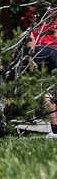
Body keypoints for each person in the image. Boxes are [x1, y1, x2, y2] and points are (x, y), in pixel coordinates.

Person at [26, 8, 57, 138]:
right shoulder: (53, 13)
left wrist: (29, 59)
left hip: (40, 51)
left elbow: (30, 40)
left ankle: (55, 130)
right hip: (54, 50)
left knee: (45, 91)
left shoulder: (32, 14)